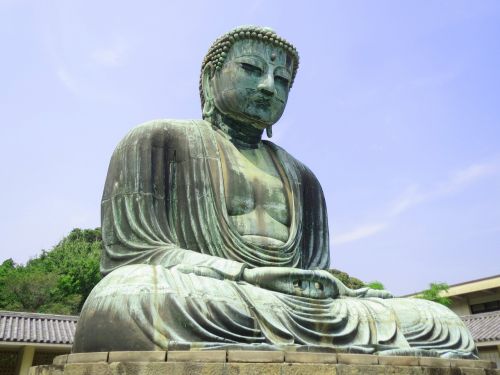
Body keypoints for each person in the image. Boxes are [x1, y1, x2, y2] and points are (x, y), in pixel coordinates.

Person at [73, 26, 477, 358]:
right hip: (212, 294)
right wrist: (245, 274)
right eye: (251, 69)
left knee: (438, 320)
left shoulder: (303, 177)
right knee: (124, 300)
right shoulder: (157, 141)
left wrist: (335, 289)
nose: (269, 87)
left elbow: (314, 272)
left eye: (282, 80)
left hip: (293, 307)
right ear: (211, 78)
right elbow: (136, 255)